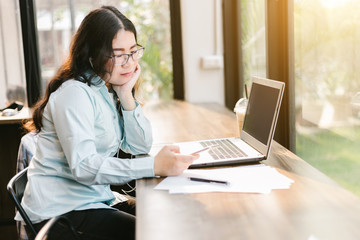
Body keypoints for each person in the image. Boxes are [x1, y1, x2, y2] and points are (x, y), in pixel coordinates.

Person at [16, 6, 199, 240]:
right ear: (93, 54)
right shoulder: (75, 94)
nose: (129, 62)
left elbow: (139, 146)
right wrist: (154, 166)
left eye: (133, 52)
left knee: (168, 215)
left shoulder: (104, 89)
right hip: (60, 215)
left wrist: (126, 94)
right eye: (118, 53)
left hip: (93, 201)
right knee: (155, 231)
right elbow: (84, 167)